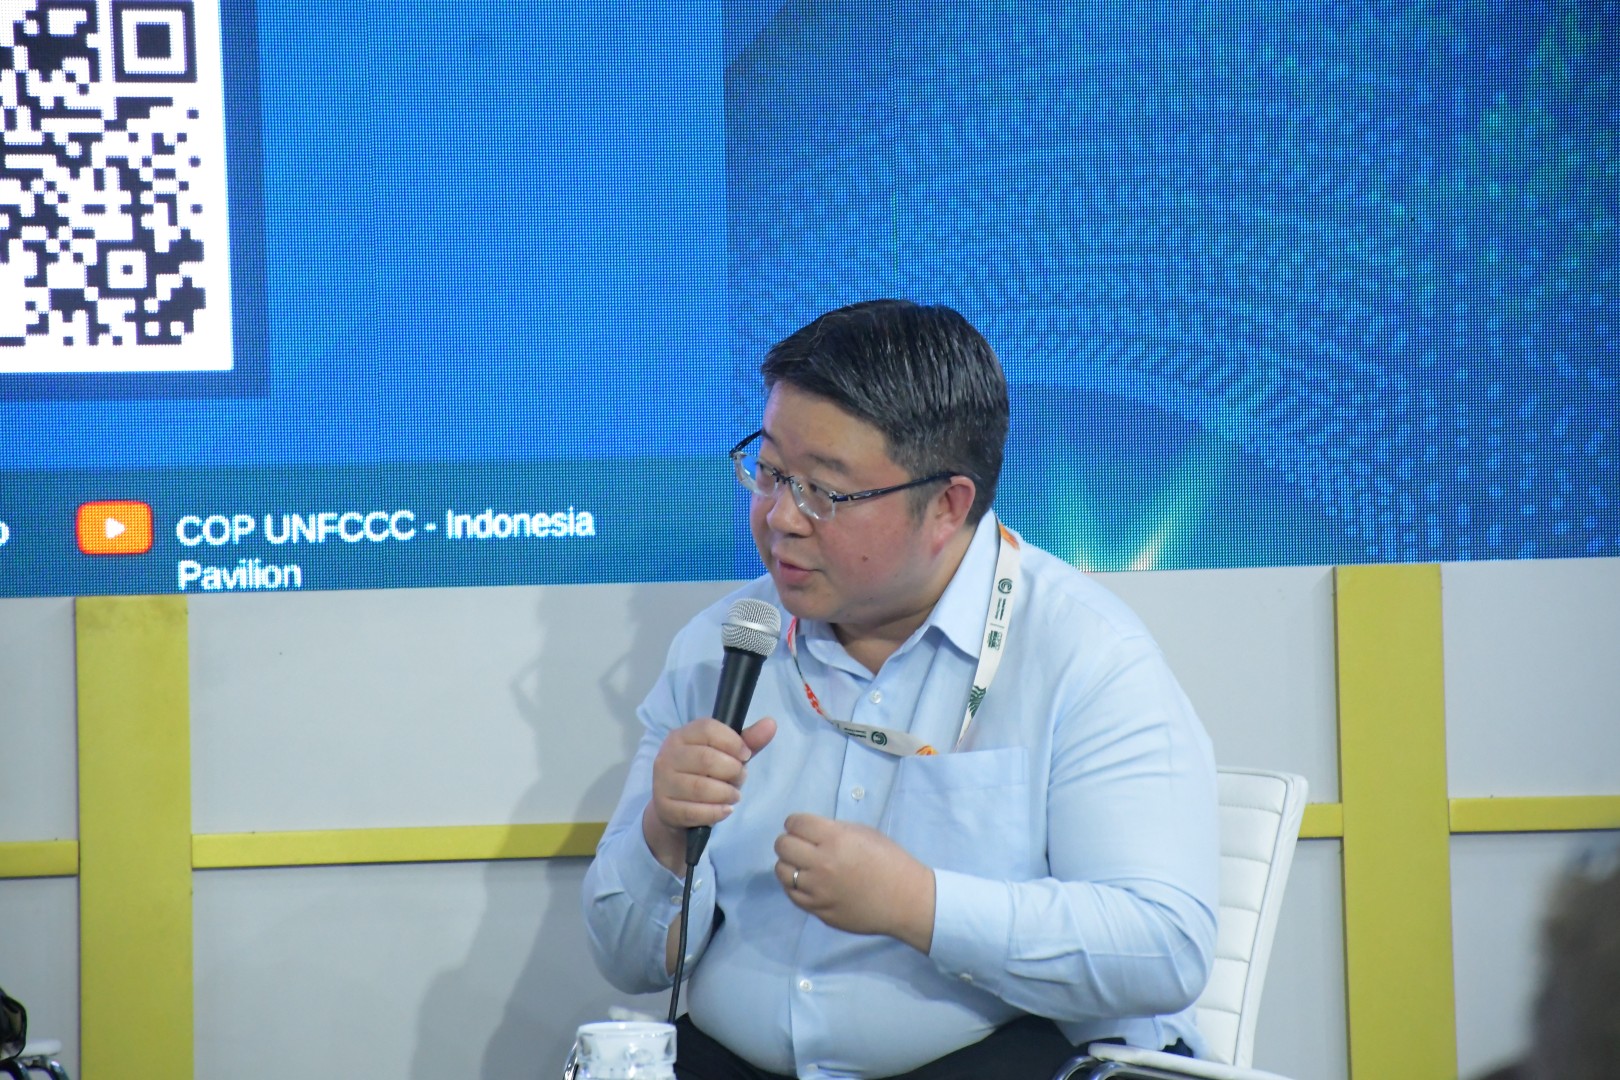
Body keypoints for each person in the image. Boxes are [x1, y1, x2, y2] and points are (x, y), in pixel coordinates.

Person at [582, 299, 1220, 1079]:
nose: (780, 517)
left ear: (947, 505)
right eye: (771, 472)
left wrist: (921, 905)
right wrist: (663, 835)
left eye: (824, 491)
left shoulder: (1084, 654)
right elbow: (625, 961)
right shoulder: (722, 647)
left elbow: (1163, 945)